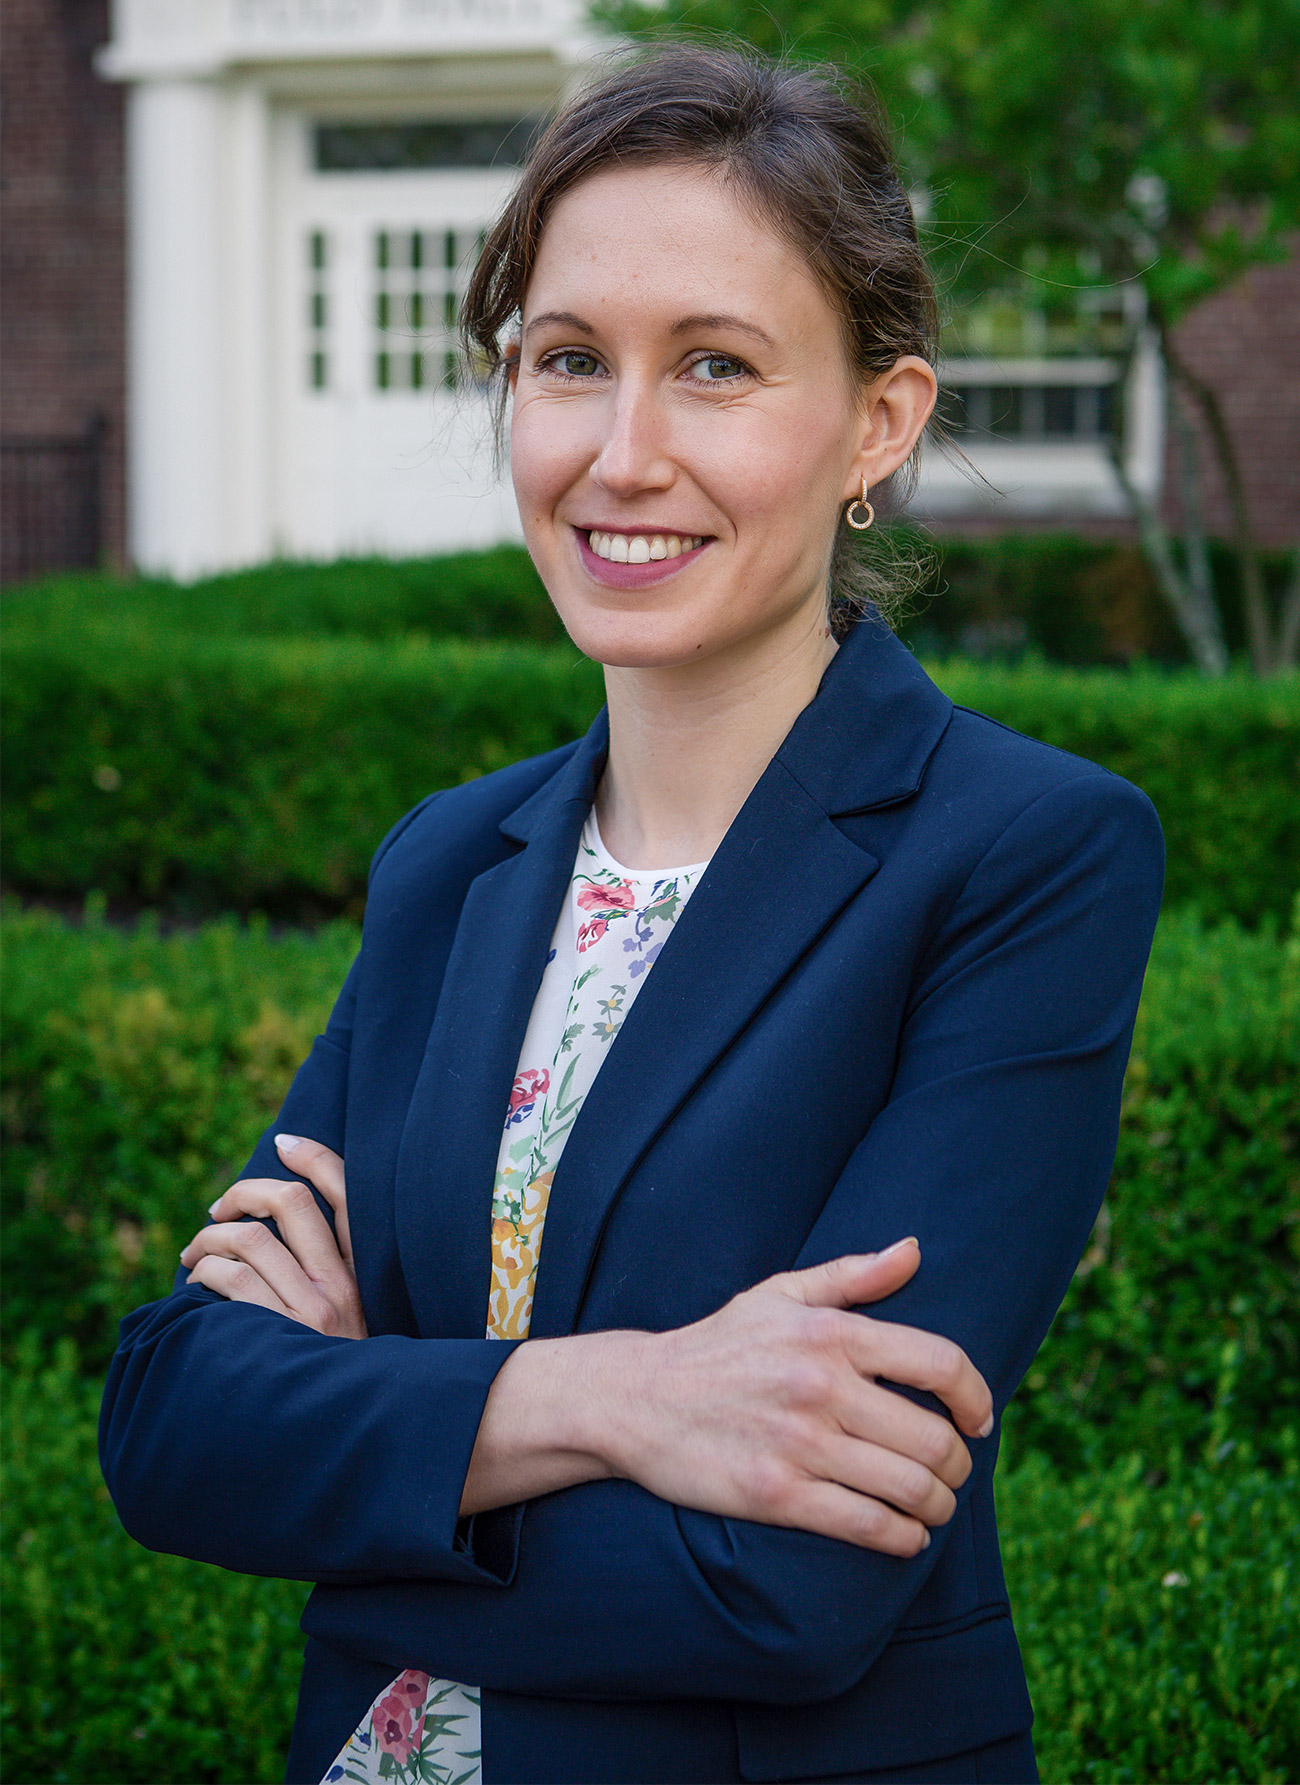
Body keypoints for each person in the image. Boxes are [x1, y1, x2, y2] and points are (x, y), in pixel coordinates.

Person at [100, 45, 1164, 1785]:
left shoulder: (1022, 856)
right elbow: (167, 1428)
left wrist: (369, 1452)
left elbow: (785, 1579)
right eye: (569, 361)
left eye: (717, 368)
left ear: (877, 427)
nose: (621, 450)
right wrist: (619, 1399)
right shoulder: (453, 860)